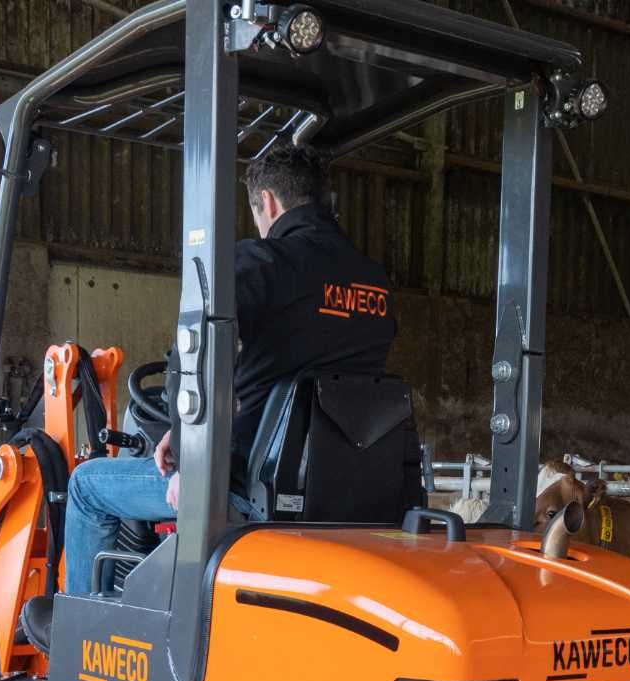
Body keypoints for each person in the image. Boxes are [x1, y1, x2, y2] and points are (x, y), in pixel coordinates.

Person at [58, 145, 399, 598]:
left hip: (252, 484)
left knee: (85, 486)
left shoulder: (263, 263)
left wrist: (191, 460)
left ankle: (77, 641)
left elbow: (193, 353)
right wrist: (180, 437)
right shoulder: (374, 284)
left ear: (270, 203)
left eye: (258, 214)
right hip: (346, 493)